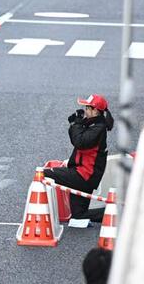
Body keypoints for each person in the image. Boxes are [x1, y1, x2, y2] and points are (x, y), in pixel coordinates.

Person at [43, 94, 114, 223]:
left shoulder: (98, 128)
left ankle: (42, 213)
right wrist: (75, 123)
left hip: (83, 175)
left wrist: (76, 124)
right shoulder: (94, 124)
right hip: (85, 175)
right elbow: (77, 139)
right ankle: (111, 213)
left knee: (44, 174)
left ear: (95, 111)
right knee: (78, 215)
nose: (85, 111)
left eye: (87, 108)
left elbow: (79, 142)